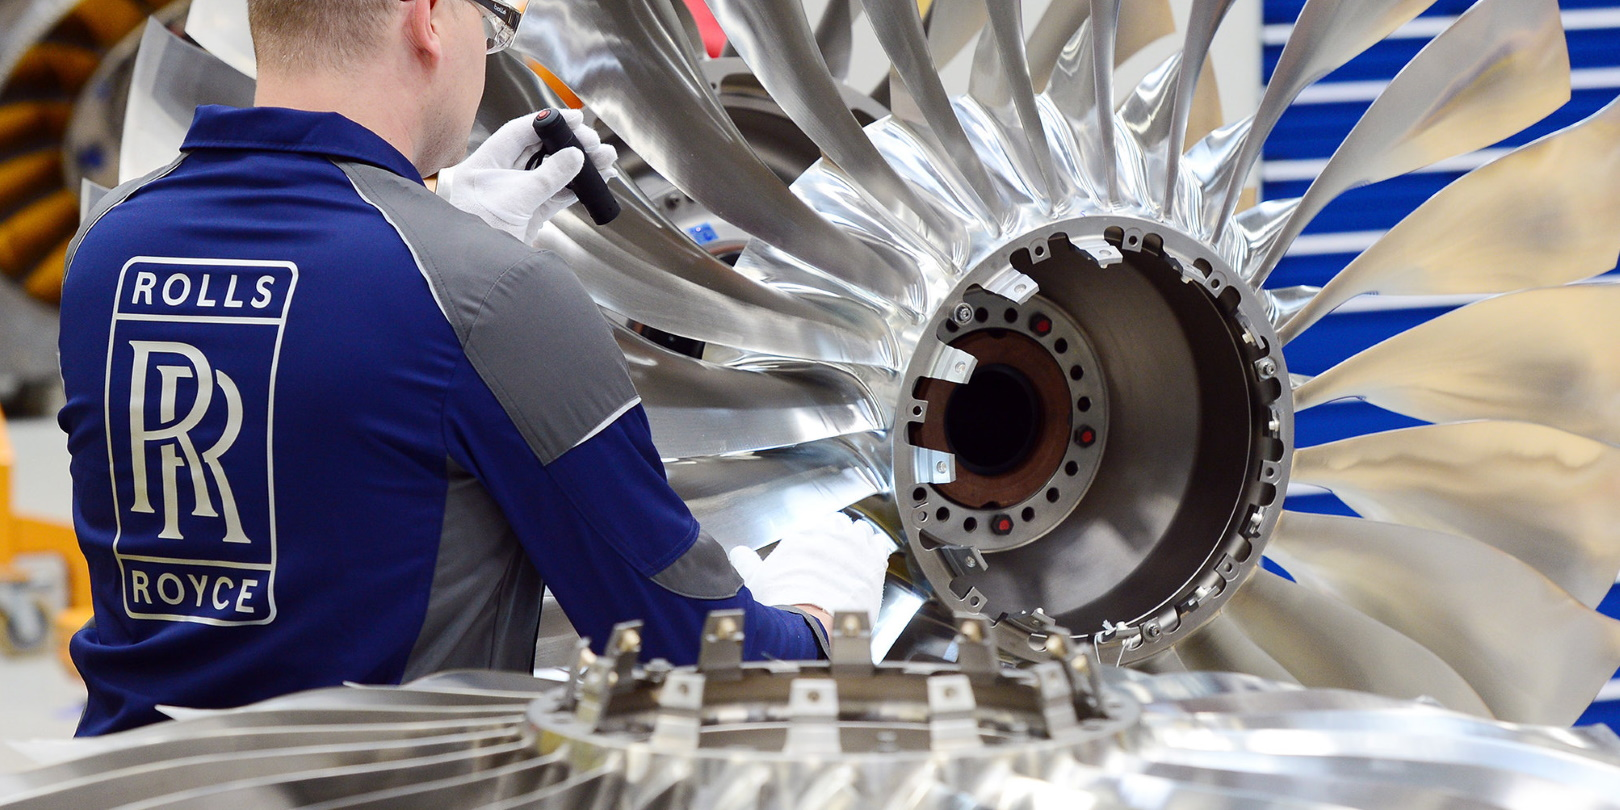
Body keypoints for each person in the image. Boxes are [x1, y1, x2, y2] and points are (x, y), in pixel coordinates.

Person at [56, 0, 891, 736]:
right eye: (489, 23)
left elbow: (300, 408)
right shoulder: (487, 296)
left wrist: (433, 223)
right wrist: (821, 614)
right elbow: (693, 656)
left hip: (131, 779)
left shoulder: (105, 248)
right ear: (427, 18)